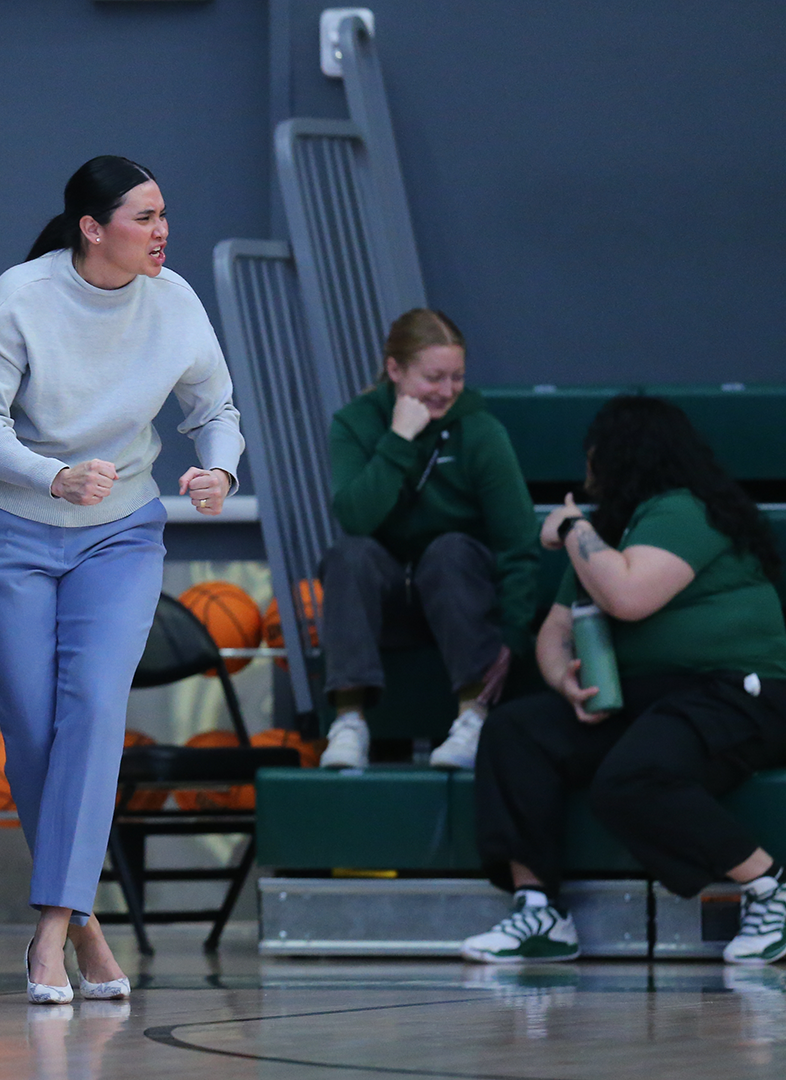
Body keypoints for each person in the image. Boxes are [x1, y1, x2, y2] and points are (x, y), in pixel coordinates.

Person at [0, 155, 243, 1005]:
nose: (162, 232)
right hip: (4, 531)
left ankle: (48, 929)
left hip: (120, 533)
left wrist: (217, 471)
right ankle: (86, 925)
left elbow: (214, 411)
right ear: (92, 227)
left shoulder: (175, 300)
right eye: (145, 217)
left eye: (163, 216)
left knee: (94, 710)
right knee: (37, 733)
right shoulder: (21, 297)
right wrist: (51, 475)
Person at [465, 396, 786, 965]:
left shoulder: (688, 510)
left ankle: (771, 888)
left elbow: (629, 597)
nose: (586, 472)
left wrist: (572, 530)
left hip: (735, 694)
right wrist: (564, 680)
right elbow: (555, 631)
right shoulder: (607, 533)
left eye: (593, 456)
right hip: (651, 699)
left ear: (621, 456)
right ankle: (539, 909)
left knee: (633, 777)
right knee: (517, 730)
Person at [321, 309, 537, 770]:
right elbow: (356, 517)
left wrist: (515, 636)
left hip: (463, 594)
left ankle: (472, 717)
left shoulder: (479, 431)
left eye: (456, 377)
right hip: (388, 599)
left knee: (450, 550)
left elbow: (519, 542)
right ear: (395, 370)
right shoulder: (356, 424)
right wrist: (399, 439)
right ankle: (349, 721)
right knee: (349, 556)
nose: (446, 391)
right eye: (433, 377)